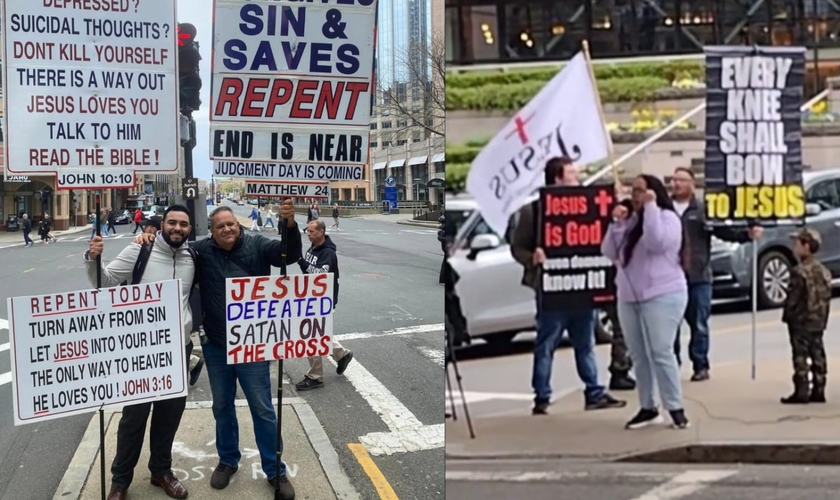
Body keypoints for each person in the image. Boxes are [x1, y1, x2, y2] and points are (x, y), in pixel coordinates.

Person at [136, 199, 302, 499]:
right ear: (211, 232)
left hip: (252, 345)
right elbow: (170, 249)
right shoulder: (199, 252)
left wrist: (289, 224)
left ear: (238, 226)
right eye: (220, 226)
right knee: (222, 407)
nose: (227, 229)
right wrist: (148, 236)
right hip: (216, 345)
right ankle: (228, 460)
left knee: (263, 409)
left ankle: (274, 469)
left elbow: (289, 254)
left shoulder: (258, 245)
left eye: (231, 224)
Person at [85, 205, 196, 500]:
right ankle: (120, 481)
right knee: (133, 418)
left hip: (177, 350)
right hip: (140, 352)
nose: (177, 228)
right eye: (172, 222)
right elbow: (103, 281)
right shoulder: (140, 251)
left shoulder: (192, 256)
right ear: (162, 226)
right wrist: (93, 257)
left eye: (183, 224)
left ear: (189, 228)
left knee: (168, 416)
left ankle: (161, 471)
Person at [511, 156, 625, 415]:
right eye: (572, 173)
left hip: (582, 287)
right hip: (552, 289)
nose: (578, 177)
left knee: (585, 344)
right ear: (558, 177)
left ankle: (593, 392)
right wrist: (533, 258)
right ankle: (542, 397)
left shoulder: (588, 206)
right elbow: (517, 247)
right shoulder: (534, 210)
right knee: (546, 345)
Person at [602, 174, 690, 430]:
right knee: (639, 355)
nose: (636, 196)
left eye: (641, 191)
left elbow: (656, 242)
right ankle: (648, 406)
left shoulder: (667, 218)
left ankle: (675, 406)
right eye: (634, 191)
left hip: (662, 294)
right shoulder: (631, 222)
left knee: (661, 351)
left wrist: (651, 208)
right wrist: (617, 224)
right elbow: (609, 251)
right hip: (630, 296)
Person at [670, 167, 762, 381]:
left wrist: (747, 235)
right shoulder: (665, 210)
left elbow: (724, 232)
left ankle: (700, 365)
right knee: (670, 326)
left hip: (698, 275)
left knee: (699, 324)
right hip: (670, 278)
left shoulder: (703, 209)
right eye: (674, 180)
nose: (676, 184)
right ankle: (671, 365)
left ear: (692, 184)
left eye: (681, 180)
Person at [294, 219, 354, 390]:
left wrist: (301, 261)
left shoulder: (328, 253)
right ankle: (341, 354)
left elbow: (320, 274)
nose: (309, 234)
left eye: (312, 231)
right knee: (316, 333)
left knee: (310, 335)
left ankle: (315, 376)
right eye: (307, 231)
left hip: (323, 300)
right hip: (311, 297)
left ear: (321, 232)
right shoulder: (313, 248)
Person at [781, 228, 832, 404]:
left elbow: (793, 299)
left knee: (800, 355)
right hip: (818, 320)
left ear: (806, 246)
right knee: (818, 352)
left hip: (801, 321)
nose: (794, 247)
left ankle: (801, 390)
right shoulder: (824, 271)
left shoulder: (799, 272)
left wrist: (788, 315)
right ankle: (819, 388)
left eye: (797, 244)